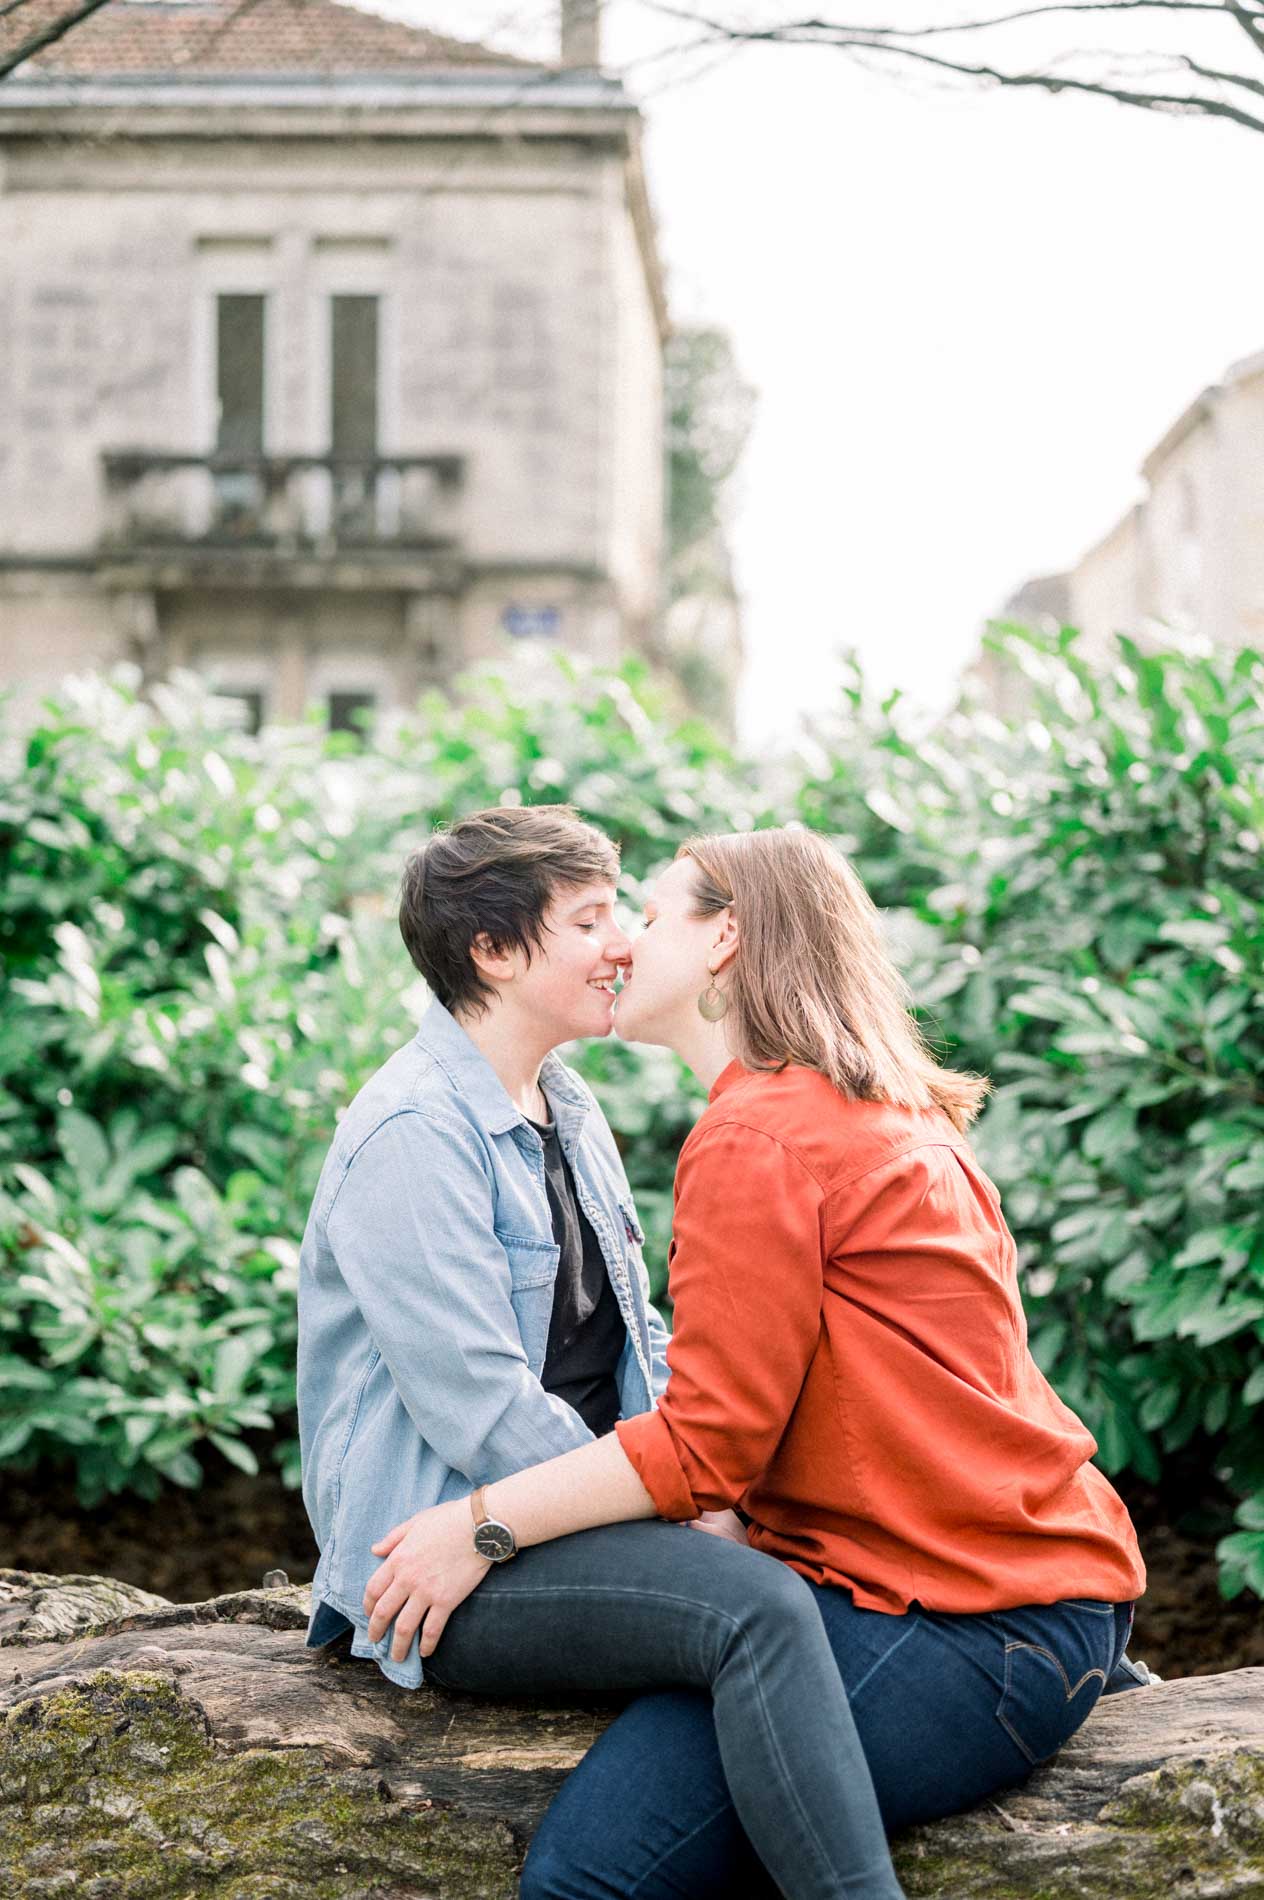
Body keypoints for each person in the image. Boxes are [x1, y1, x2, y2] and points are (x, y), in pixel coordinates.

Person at [362, 823, 1148, 1900]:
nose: (627, 942)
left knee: (590, 1879)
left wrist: (479, 1522)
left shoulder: (760, 1137)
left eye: (646, 913)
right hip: (1031, 1596)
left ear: (725, 938)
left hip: (962, 1628)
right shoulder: (871, 1109)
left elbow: (707, 1444)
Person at [298, 803, 904, 1900]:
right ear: (491, 951)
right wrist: (680, 1505)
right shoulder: (408, 1133)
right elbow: (479, 1413)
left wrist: (709, 1487)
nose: (621, 940)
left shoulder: (568, 1108)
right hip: (447, 1556)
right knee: (752, 1605)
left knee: (781, 1576)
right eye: (586, 918)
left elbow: (643, 1342)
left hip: (555, 1520)